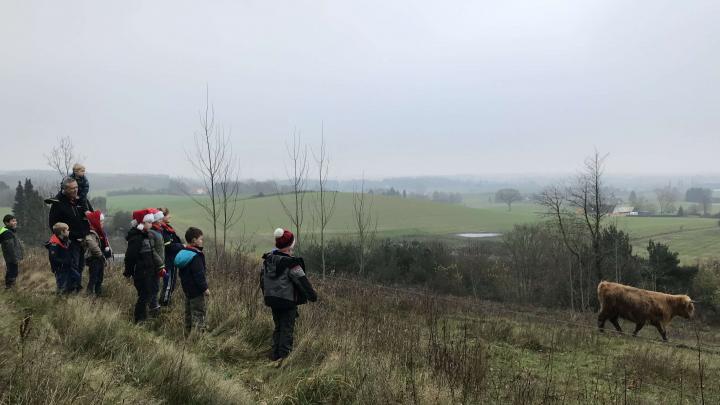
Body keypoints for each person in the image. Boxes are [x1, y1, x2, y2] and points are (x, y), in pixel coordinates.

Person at [261, 228, 317, 363]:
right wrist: (312, 296)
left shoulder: (268, 260)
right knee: (287, 330)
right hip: (287, 302)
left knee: (278, 327)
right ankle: (284, 360)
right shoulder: (292, 263)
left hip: (272, 300)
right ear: (290, 245)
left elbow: (263, 280)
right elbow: (302, 281)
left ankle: (275, 356)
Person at [47, 177, 91, 292]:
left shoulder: (82, 200)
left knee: (80, 267)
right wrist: (68, 237)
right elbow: (53, 225)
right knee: (72, 267)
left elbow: (90, 216)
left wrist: (87, 233)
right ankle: (67, 293)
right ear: (65, 189)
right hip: (69, 242)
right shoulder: (58, 204)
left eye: (76, 187)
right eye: (72, 188)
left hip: (84, 240)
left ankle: (75, 292)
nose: (75, 190)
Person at [123, 210, 165, 323]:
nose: (151, 224)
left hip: (148, 270)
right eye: (149, 222)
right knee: (144, 295)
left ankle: (143, 317)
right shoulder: (137, 238)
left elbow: (152, 253)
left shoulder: (145, 236)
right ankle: (139, 320)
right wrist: (128, 272)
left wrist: (160, 265)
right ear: (142, 223)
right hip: (142, 272)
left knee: (148, 294)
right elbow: (130, 257)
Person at [175, 227, 209, 335]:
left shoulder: (184, 253)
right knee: (199, 314)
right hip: (197, 291)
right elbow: (199, 275)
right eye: (200, 239)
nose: (202, 241)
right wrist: (205, 289)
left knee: (188, 314)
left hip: (187, 289)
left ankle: (187, 335)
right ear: (194, 240)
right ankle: (197, 339)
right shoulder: (196, 256)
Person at [157, 207, 183, 306]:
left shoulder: (167, 228)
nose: (170, 216)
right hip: (168, 261)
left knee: (171, 283)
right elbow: (168, 247)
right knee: (168, 284)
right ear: (162, 217)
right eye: (168, 215)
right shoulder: (163, 230)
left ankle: (165, 302)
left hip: (171, 260)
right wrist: (182, 246)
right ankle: (164, 304)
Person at [45, 222, 75, 294]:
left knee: (70, 286)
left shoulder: (65, 240)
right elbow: (53, 258)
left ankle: (66, 300)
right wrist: (65, 262)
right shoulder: (54, 244)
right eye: (67, 230)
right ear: (62, 232)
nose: (69, 231)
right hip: (60, 269)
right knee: (62, 287)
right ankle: (59, 301)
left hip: (66, 268)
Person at [83, 211, 108, 296]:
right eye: (101, 221)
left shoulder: (100, 232)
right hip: (94, 258)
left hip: (99, 258)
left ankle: (98, 294)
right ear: (96, 222)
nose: (102, 223)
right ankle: (89, 294)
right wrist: (100, 255)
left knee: (100, 277)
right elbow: (92, 244)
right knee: (94, 277)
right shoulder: (90, 232)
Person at [1, 214, 23, 289]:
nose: (15, 222)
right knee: (13, 272)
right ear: (6, 223)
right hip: (11, 257)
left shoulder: (9, 231)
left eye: (15, 220)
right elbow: (10, 248)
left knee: (11, 271)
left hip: (10, 257)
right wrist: (15, 259)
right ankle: (11, 288)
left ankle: (9, 287)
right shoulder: (7, 233)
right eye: (13, 221)